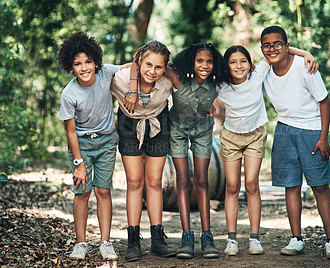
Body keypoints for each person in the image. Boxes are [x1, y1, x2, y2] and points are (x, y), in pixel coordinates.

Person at [215, 45, 318, 256]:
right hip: (230, 138)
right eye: (233, 62)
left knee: (252, 184)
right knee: (232, 186)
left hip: (255, 136)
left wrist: (305, 54)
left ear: (250, 64)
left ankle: (254, 238)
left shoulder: (258, 75)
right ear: (226, 65)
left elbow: (277, 53)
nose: (238, 66)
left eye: (243, 61)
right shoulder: (220, 85)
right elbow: (198, 76)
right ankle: (232, 240)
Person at [261, 26, 330, 259]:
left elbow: (324, 102)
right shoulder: (265, 69)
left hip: (311, 130)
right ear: (262, 49)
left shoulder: (305, 67)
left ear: (287, 46)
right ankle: (296, 238)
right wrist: (303, 50)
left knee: (319, 185)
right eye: (267, 45)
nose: (272, 49)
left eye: (278, 44)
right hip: (284, 128)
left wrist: (323, 138)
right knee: (291, 185)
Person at [58, 32, 130, 260]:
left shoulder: (106, 72)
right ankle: (80, 243)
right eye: (77, 64)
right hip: (81, 145)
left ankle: (105, 242)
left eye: (88, 61)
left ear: (96, 62)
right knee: (82, 192)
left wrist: (157, 62)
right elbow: (70, 131)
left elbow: (130, 67)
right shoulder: (69, 94)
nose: (84, 67)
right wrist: (78, 163)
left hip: (107, 141)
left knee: (103, 190)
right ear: (70, 68)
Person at [110, 40, 176, 261]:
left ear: (165, 67)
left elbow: (187, 80)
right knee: (135, 182)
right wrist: (132, 84)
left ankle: (157, 239)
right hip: (129, 126)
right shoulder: (120, 78)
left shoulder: (167, 81)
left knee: (155, 182)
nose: (153, 71)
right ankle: (133, 241)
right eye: (148, 65)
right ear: (139, 62)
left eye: (158, 67)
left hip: (159, 124)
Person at [163, 43, 227, 259]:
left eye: (209, 61)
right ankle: (186, 236)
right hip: (177, 130)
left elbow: (242, 70)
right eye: (200, 61)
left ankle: (207, 236)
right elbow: (149, 61)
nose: (205, 65)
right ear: (191, 61)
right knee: (182, 180)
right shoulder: (178, 77)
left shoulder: (216, 81)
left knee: (202, 180)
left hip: (202, 130)